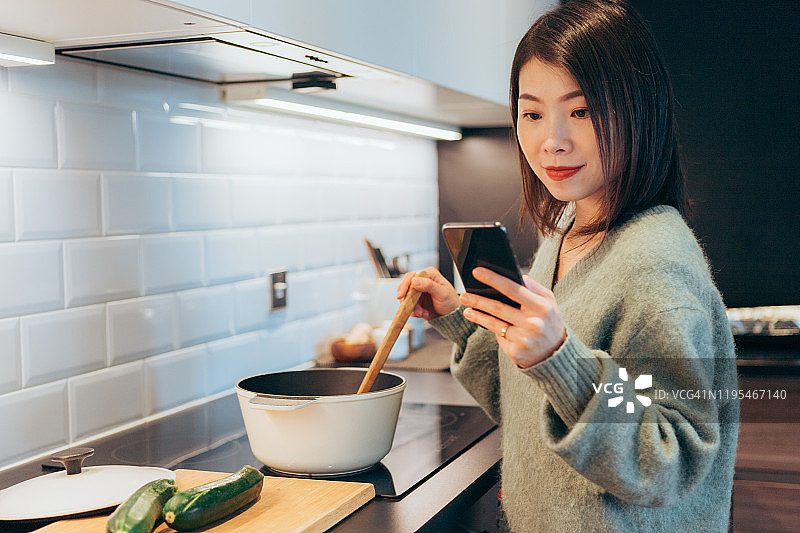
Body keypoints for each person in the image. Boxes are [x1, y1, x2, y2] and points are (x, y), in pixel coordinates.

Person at [397, 0, 739, 531]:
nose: (551, 140)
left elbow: (671, 452)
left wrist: (562, 358)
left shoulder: (656, 263)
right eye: (532, 113)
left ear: (635, 109)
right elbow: (529, 401)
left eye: (580, 111)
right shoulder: (565, 230)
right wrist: (461, 322)